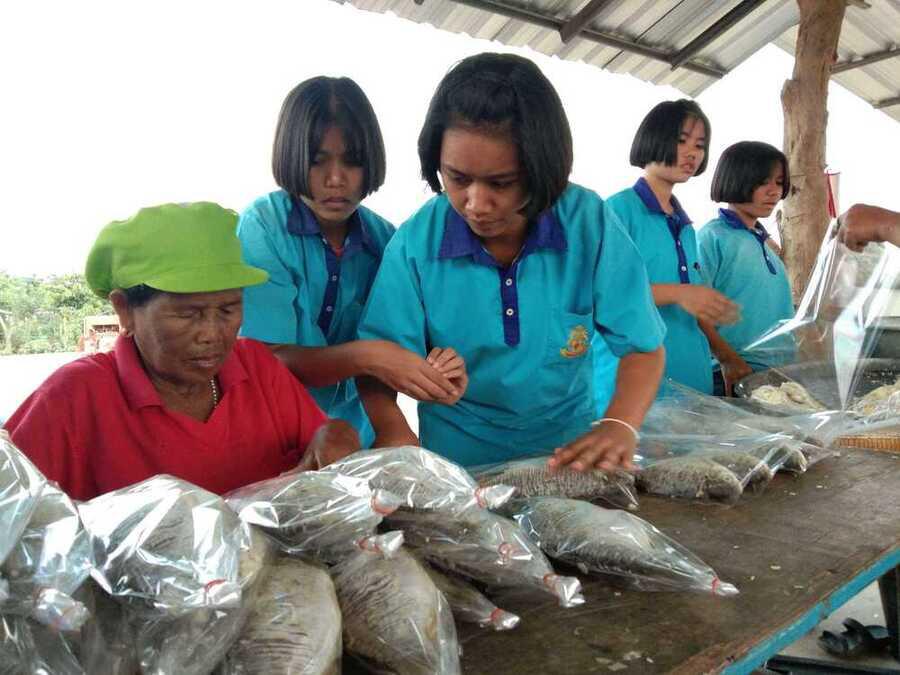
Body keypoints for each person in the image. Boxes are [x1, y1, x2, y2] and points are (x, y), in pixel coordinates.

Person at [356, 52, 666, 473]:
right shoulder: (416, 244)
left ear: (543, 169)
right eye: (457, 178)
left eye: (501, 183)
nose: (476, 204)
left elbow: (643, 347)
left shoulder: (588, 223)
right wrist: (394, 429)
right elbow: (377, 363)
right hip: (459, 463)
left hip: (569, 457)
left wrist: (619, 424)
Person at [3, 202, 360, 501]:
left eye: (228, 310)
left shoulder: (258, 368)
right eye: (187, 314)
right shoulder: (72, 397)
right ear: (125, 310)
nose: (211, 334)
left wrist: (336, 434)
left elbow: (324, 440)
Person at [237, 76, 466, 448]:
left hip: (353, 439)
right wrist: (368, 355)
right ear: (289, 157)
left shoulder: (387, 241)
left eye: (353, 161)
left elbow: (405, 346)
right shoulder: (263, 226)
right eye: (317, 161)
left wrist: (440, 365)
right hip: (267, 435)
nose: (336, 179)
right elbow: (265, 359)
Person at [595, 99, 738, 397]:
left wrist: (725, 355)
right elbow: (601, 293)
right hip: (634, 387)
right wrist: (681, 293)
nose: (692, 153)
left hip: (691, 380)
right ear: (653, 138)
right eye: (681, 140)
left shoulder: (685, 227)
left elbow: (693, 301)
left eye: (700, 145)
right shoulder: (617, 211)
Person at [697, 141, 796, 395]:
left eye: (779, 182)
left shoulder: (768, 248)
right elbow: (695, 310)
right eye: (763, 182)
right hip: (733, 374)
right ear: (736, 180)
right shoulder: (712, 238)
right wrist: (728, 359)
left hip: (778, 374)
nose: (774, 191)